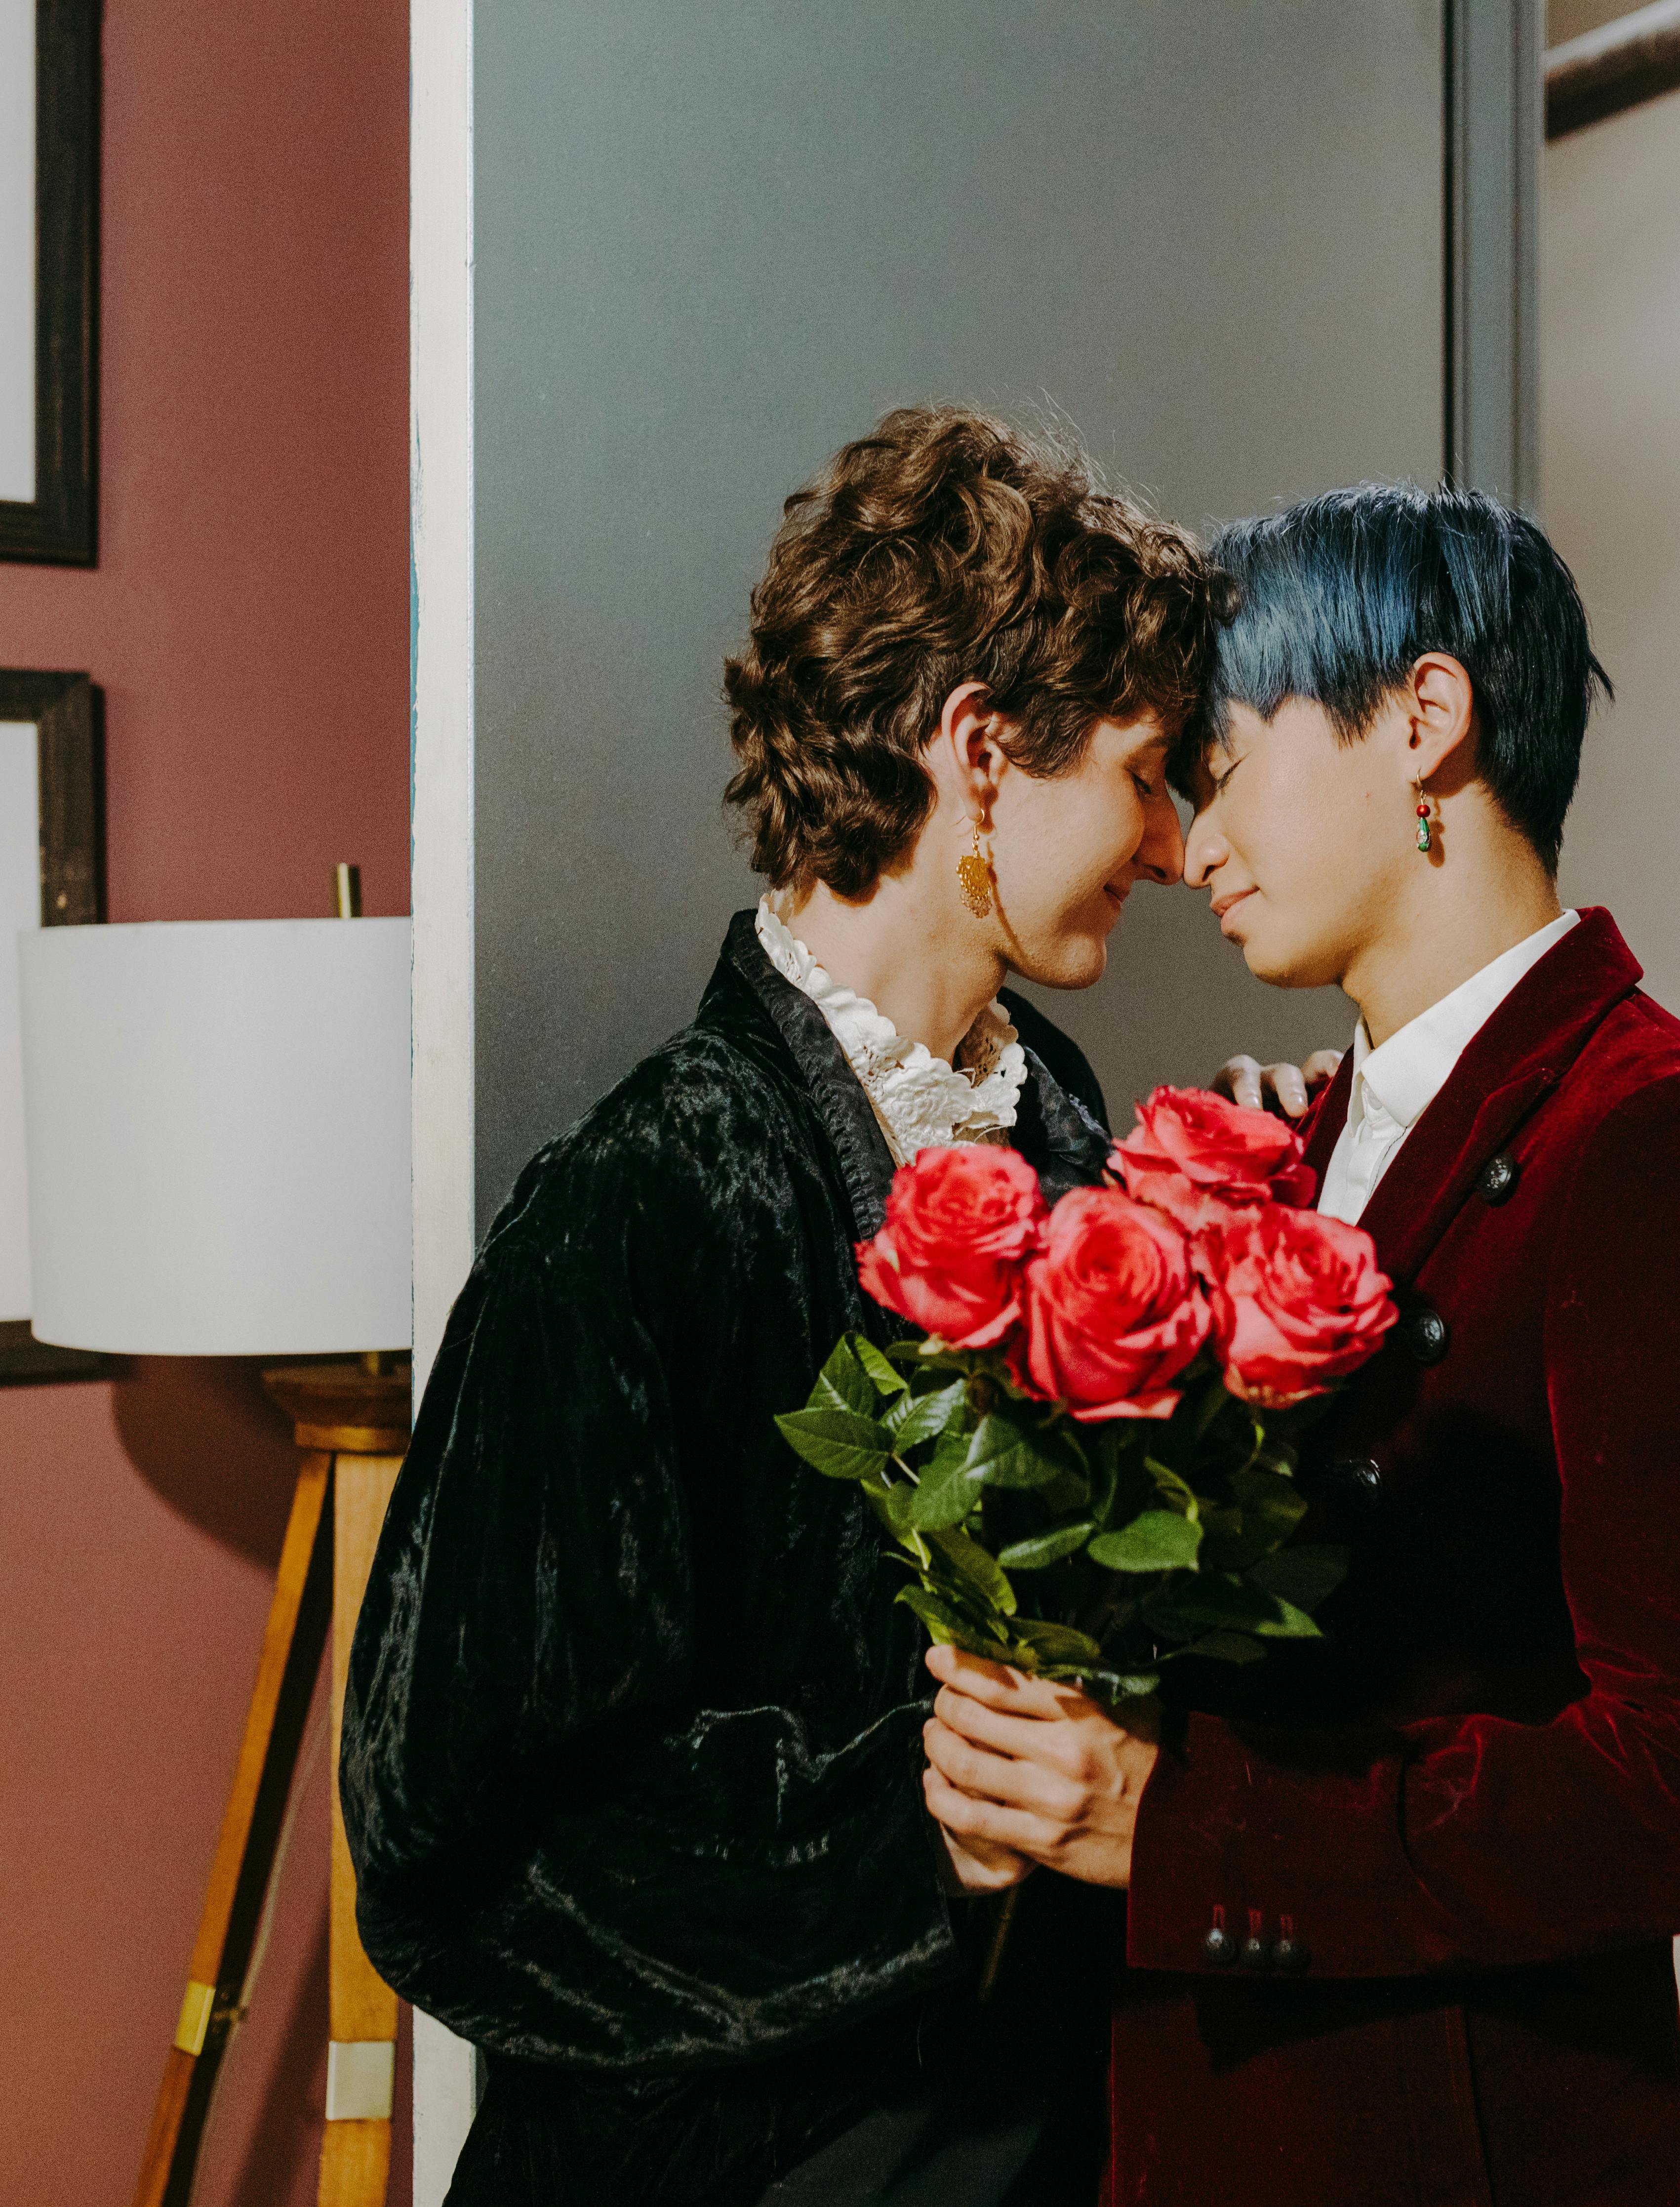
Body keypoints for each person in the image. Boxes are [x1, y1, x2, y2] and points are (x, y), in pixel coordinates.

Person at [916, 485, 1680, 2205]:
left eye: (1222, 766)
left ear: (1424, 722)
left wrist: (1187, 1829)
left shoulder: (1665, 1139)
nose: (1187, 844)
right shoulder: (1301, 1135)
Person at [341, 406, 1210, 2206]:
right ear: (981, 748)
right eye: (1145, 772)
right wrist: (921, 1823)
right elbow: (455, 1848)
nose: (1179, 843)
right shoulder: (634, 1210)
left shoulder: (1085, 1142)